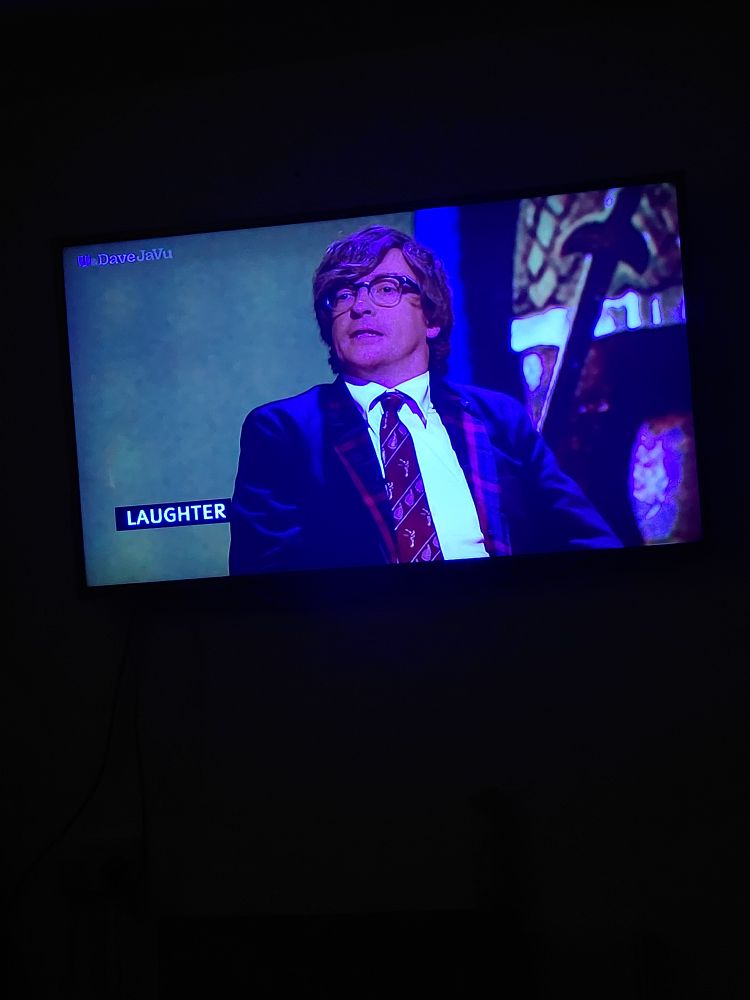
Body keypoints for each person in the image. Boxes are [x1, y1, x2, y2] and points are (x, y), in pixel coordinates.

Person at [228, 225, 621, 575]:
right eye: (343, 293)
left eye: (386, 288)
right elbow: (265, 581)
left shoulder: (499, 418)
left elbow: (586, 539)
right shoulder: (282, 431)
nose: (359, 306)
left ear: (431, 319)